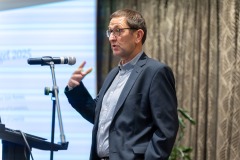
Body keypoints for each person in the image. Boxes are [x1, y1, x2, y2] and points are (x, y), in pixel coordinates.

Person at [65, 8, 179, 160]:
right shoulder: (113, 74)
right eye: (110, 31)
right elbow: (97, 116)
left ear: (138, 35)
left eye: (118, 31)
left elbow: (166, 129)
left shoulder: (155, 72)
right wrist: (75, 88)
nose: (112, 38)